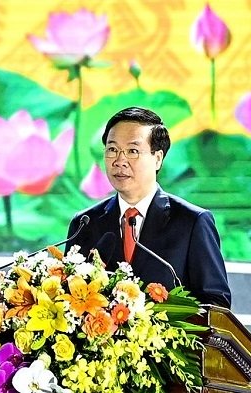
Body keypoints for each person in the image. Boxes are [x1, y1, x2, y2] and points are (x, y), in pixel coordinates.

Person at [66, 106, 231, 308]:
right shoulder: (85, 224)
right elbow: (69, 297)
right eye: (112, 149)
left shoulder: (192, 222)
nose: (119, 161)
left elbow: (216, 304)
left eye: (132, 151)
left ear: (158, 158)